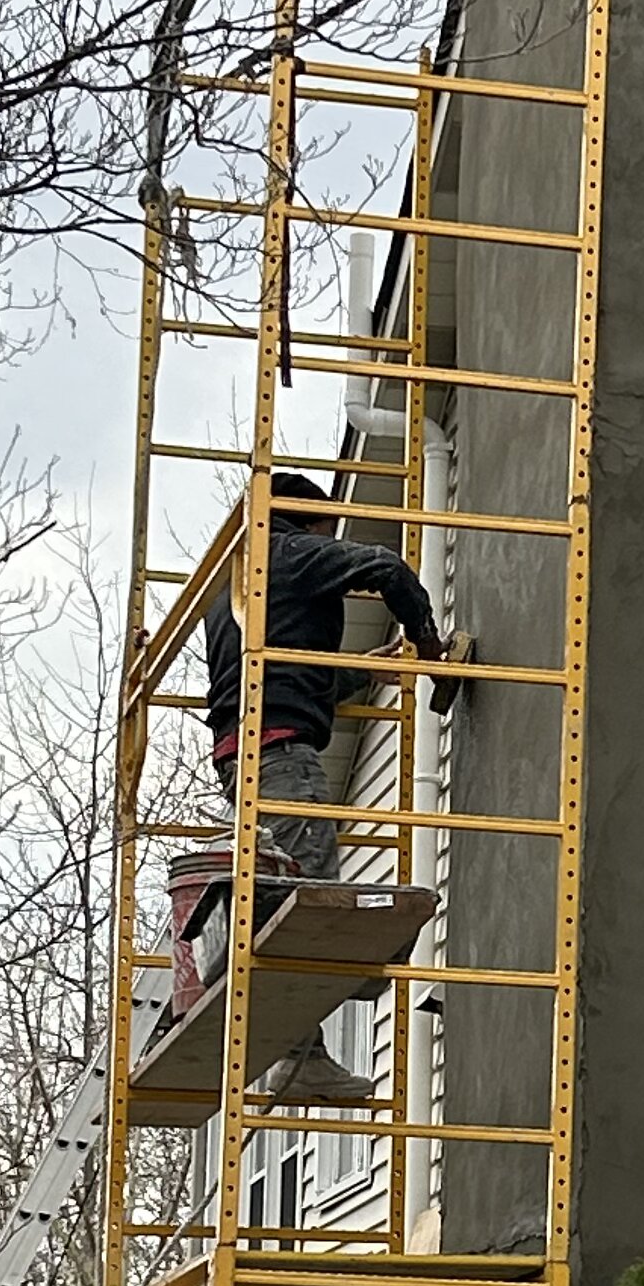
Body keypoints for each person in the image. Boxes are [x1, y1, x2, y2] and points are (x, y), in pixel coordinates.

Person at [188, 468, 457, 1107]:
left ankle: (322, 1017)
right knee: (303, 905)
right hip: (283, 751)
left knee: (288, 892)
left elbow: (289, 677)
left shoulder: (234, 591)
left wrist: (367, 670)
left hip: (245, 753)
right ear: (306, 523)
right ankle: (302, 1054)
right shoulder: (288, 551)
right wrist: (430, 647)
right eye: (326, 532)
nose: (329, 547)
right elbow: (387, 567)